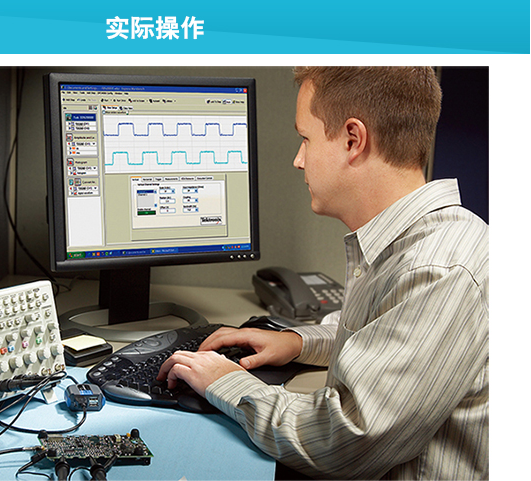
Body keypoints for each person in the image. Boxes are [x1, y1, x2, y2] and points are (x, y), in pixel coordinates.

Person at [156, 67, 488, 480]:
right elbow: (388, 337)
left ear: (353, 140)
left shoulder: (437, 270)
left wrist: (226, 382)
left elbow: (346, 441)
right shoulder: (413, 242)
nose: (298, 161)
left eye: (306, 139)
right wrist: (297, 342)